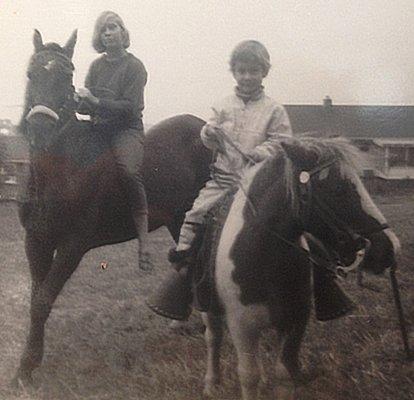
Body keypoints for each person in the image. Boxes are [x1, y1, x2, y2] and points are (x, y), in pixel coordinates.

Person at [147, 40, 292, 320]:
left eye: (253, 70)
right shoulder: (222, 106)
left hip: (259, 184)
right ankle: (185, 274)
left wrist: (260, 152)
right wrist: (209, 134)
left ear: (264, 72)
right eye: (241, 71)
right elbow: (208, 137)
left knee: (288, 223)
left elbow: (282, 142)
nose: (247, 76)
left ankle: (309, 282)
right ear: (234, 72)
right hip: (224, 181)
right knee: (193, 217)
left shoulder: (274, 110)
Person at [76, 11, 150, 268]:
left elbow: (130, 107)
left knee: (128, 171)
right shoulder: (96, 66)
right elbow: (86, 108)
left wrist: (95, 101)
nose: (108, 33)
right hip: (98, 127)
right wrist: (80, 101)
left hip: (125, 129)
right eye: (103, 30)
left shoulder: (134, 66)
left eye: (112, 27)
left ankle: (143, 240)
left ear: (123, 32)